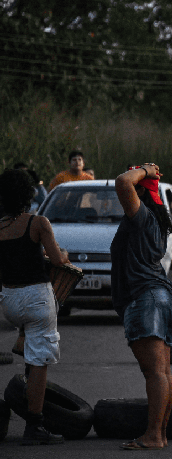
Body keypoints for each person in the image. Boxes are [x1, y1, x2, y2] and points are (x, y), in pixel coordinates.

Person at [111, 163, 172, 450]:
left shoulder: (142, 217)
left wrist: (146, 170)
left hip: (146, 298)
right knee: (162, 372)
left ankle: (153, 434)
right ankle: (159, 434)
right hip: (160, 296)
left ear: (140, 193)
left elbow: (122, 182)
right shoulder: (155, 220)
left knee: (155, 373)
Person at [0, 168, 69, 445]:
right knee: (40, 360)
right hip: (37, 299)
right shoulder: (38, 223)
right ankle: (35, 425)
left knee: (32, 345)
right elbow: (57, 260)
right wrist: (62, 254)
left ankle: (22, 339)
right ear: (28, 195)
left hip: (9, 301)